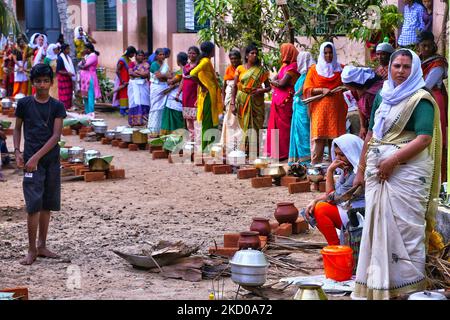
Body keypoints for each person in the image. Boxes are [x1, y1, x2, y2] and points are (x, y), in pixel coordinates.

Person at [353, 49, 441, 300]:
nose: (401, 71)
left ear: (414, 70)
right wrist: (360, 171)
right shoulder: (383, 95)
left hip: (407, 174)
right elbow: (371, 135)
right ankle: (377, 283)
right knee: (375, 225)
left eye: (406, 67)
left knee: (405, 230)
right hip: (376, 172)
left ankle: (408, 288)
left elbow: (424, 138)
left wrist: (392, 161)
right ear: (389, 68)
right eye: (396, 66)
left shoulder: (420, 99)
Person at [13, 63, 67, 265]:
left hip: (50, 160)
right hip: (30, 163)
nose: (42, 85)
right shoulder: (25, 104)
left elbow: (55, 136)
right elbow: (17, 129)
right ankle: (31, 249)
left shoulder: (57, 106)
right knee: (33, 205)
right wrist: (18, 151)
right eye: (38, 81)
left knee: (47, 204)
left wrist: (36, 157)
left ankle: (42, 245)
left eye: (46, 81)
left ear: (51, 83)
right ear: (32, 82)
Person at [305, 134, 364, 245]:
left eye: (342, 155)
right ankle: (336, 246)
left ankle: (335, 248)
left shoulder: (356, 174)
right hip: (348, 206)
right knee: (311, 209)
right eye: (336, 154)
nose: (337, 158)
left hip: (359, 212)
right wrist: (315, 200)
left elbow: (332, 198)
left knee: (320, 210)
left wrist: (330, 171)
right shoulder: (348, 170)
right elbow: (334, 192)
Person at [303, 41, 346, 165]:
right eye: (325, 53)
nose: (328, 56)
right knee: (318, 140)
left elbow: (348, 83)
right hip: (319, 111)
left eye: (330, 53)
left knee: (336, 141)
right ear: (321, 54)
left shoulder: (341, 69)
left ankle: (338, 168)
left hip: (336, 111)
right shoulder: (314, 70)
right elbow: (307, 88)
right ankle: (315, 168)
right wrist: (322, 90)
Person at [418, 31, 448, 180]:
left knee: (438, 135)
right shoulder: (417, 61)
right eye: (423, 46)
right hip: (421, 97)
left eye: (429, 46)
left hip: (434, 97)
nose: (426, 49)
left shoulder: (438, 63)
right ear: (419, 46)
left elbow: (427, 85)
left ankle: (441, 179)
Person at [231, 44, 270, 154]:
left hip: (256, 101)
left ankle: (254, 151)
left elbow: (268, 87)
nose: (254, 55)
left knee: (256, 126)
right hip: (242, 100)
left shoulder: (261, 70)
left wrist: (260, 91)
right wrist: (232, 103)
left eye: (256, 53)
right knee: (244, 126)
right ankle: (245, 150)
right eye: (252, 53)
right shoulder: (240, 68)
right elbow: (234, 86)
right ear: (247, 56)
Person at [265, 43, 300, 161]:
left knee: (284, 128)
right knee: (275, 127)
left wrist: (274, 82)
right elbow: (276, 80)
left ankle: (284, 153)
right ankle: (275, 152)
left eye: (283, 51)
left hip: (286, 101)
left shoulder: (294, 67)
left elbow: (281, 83)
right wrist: (275, 82)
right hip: (278, 101)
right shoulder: (284, 66)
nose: (282, 54)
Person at [189, 41, 223, 151]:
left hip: (211, 95)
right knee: (208, 122)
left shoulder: (205, 61)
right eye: (213, 49)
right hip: (208, 95)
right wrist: (202, 85)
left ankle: (211, 147)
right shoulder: (205, 61)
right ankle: (205, 148)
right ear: (210, 50)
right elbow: (192, 73)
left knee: (212, 122)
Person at [288, 51, 315, 165]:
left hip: (304, 107)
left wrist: (295, 94)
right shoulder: (303, 75)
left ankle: (306, 159)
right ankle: (299, 158)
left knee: (304, 133)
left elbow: (303, 90)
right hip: (298, 107)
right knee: (298, 133)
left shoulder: (309, 75)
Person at [341, 66, 384, 139]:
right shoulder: (356, 91)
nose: (345, 87)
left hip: (379, 125)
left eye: (346, 85)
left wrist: (370, 131)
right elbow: (359, 107)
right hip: (370, 124)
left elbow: (375, 115)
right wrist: (362, 127)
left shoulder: (372, 94)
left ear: (353, 84)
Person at [219, 49, 242, 152]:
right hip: (229, 98)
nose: (234, 60)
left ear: (239, 59)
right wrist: (223, 100)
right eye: (232, 58)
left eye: (236, 58)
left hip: (239, 97)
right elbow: (223, 86)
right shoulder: (228, 69)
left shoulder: (243, 69)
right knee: (229, 121)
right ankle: (229, 144)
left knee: (238, 122)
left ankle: (238, 145)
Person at [160, 52, 188, 134]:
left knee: (175, 117)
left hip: (176, 96)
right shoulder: (188, 69)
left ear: (178, 61)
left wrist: (168, 79)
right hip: (183, 95)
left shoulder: (180, 72)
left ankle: (174, 135)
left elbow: (171, 82)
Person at [176, 46, 200, 142]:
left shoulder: (199, 66)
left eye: (193, 53)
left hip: (195, 95)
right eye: (189, 53)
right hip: (186, 95)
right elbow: (183, 80)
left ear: (197, 55)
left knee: (196, 118)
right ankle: (191, 139)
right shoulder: (185, 67)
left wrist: (199, 97)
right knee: (188, 118)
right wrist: (178, 93)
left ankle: (197, 139)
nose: (191, 55)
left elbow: (200, 82)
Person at [148, 48, 170, 137]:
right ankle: (153, 131)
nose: (162, 56)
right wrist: (167, 76)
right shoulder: (154, 64)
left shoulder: (165, 64)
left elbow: (166, 76)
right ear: (156, 56)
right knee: (155, 108)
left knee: (162, 108)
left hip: (164, 87)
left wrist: (165, 76)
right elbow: (159, 77)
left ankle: (161, 130)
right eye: (160, 54)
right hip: (156, 88)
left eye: (163, 54)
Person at [127, 50, 150, 126]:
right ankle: (134, 121)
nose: (140, 57)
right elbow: (130, 73)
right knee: (133, 102)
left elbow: (146, 74)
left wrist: (136, 73)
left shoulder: (147, 64)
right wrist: (141, 75)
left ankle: (143, 121)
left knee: (144, 101)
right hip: (133, 85)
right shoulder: (132, 64)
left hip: (143, 85)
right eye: (139, 55)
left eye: (142, 55)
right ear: (136, 56)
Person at [78, 43, 101, 114]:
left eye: (85, 48)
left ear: (89, 49)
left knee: (90, 95)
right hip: (84, 79)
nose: (84, 50)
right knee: (85, 96)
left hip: (90, 77)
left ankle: (91, 112)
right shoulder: (86, 56)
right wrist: (83, 60)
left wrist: (82, 65)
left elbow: (85, 65)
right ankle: (87, 112)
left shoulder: (93, 56)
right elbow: (79, 65)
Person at [113, 46, 137, 116]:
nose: (133, 56)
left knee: (127, 94)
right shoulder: (122, 60)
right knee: (123, 95)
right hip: (123, 80)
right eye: (133, 54)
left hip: (128, 80)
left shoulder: (128, 59)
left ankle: (125, 109)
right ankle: (122, 110)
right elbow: (117, 71)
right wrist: (122, 80)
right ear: (130, 53)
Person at [56, 44, 76, 110]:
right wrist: (67, 73)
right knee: (63, 94)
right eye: (67, 49)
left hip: (68, 78)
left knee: (69, 93)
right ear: (64, 50)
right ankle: (63, 108)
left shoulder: (68, 57)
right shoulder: (60, 58)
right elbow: (58, 71)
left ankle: (68, 107)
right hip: (63, 78)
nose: (69, 50)